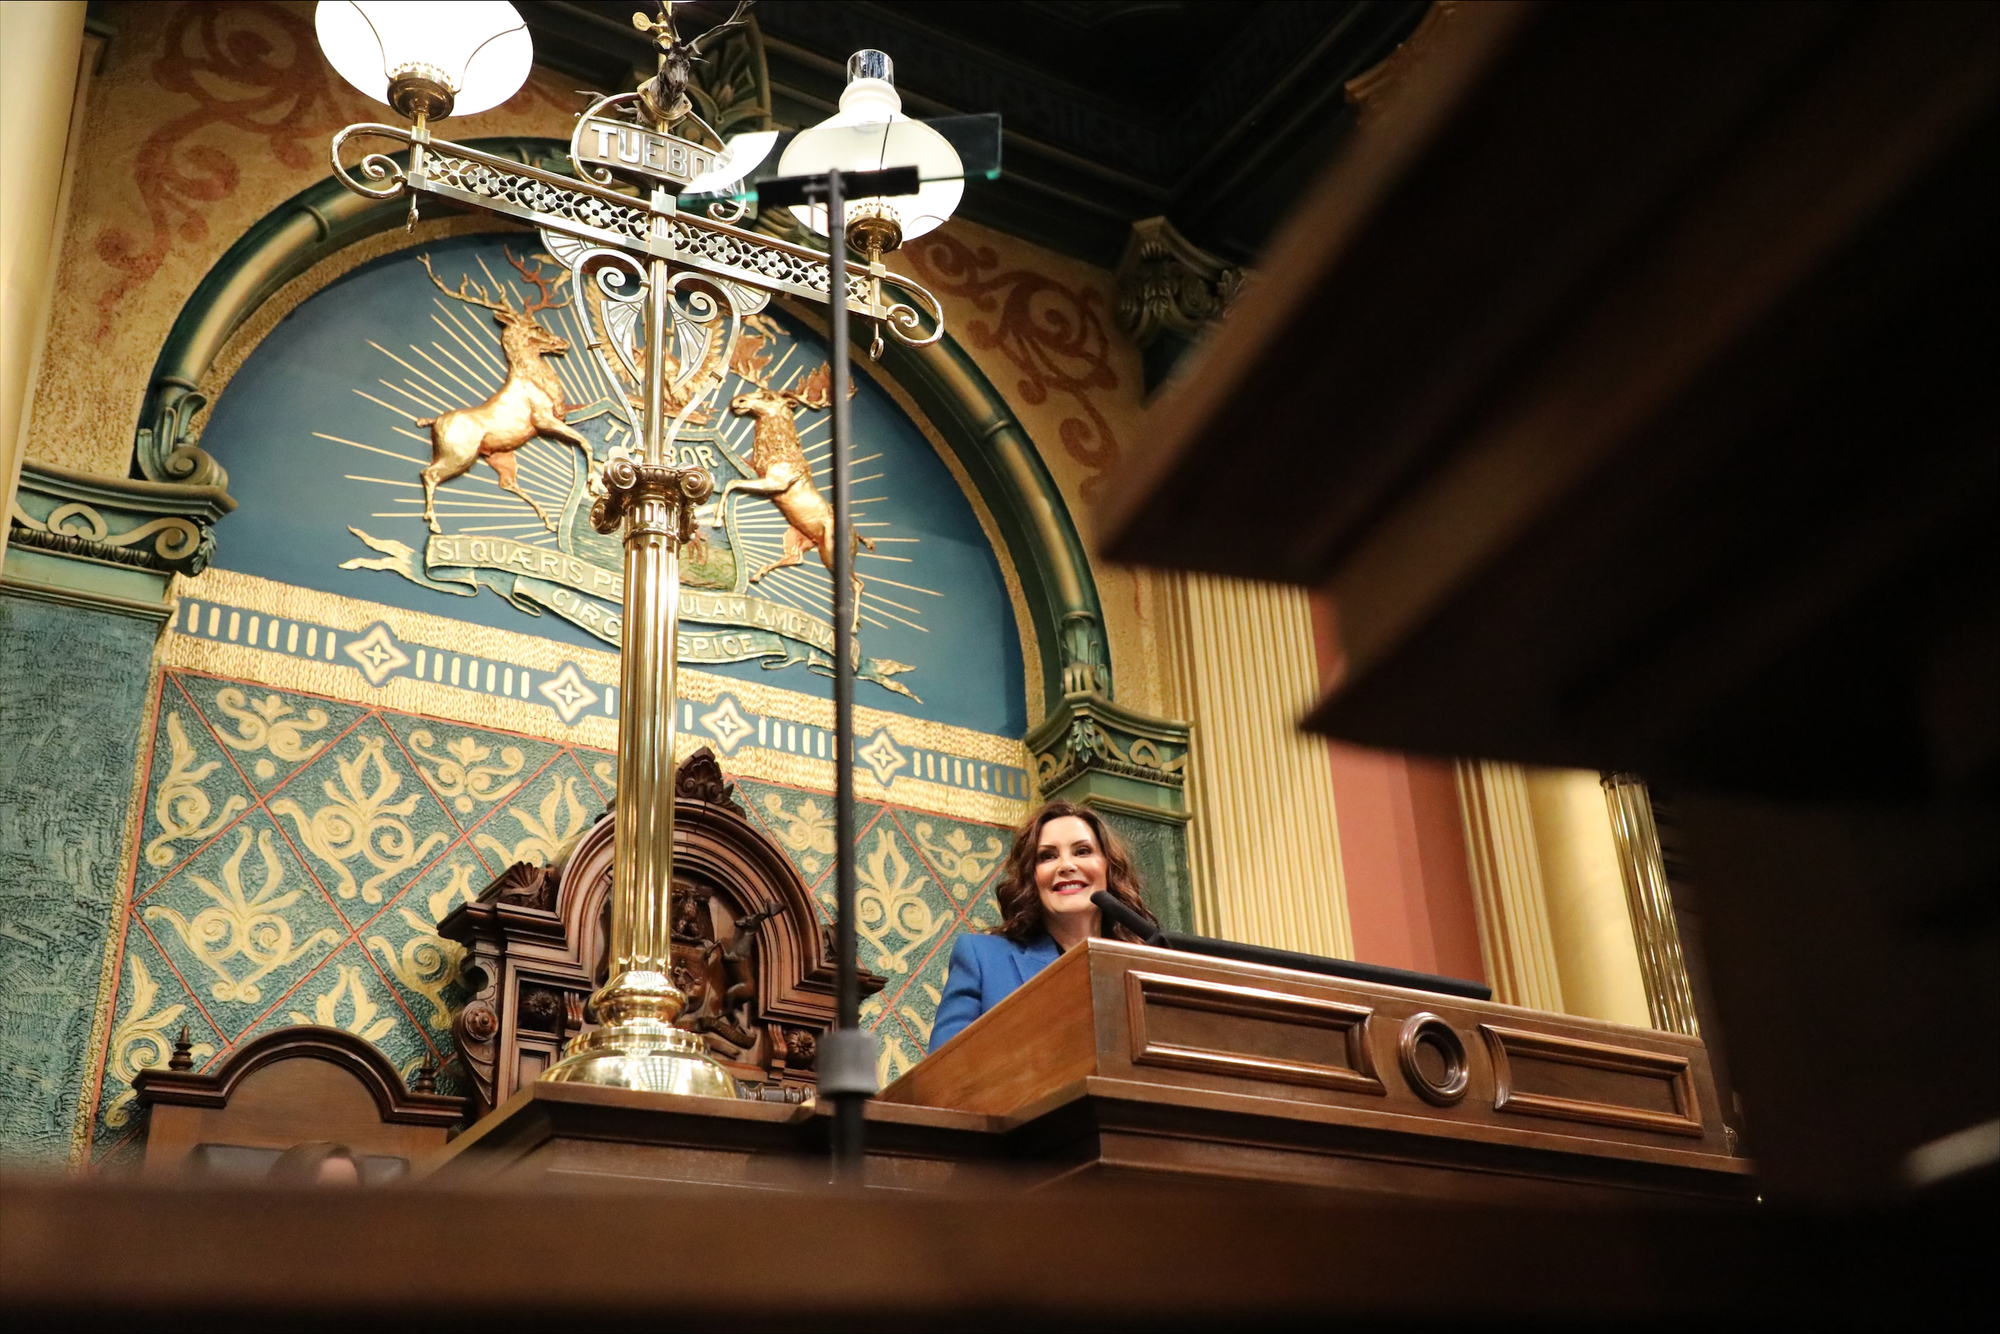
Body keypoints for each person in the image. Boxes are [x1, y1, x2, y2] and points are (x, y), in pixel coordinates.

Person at [927, 799, 1159, 1052]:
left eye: (1082, 851)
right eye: (1047, 856)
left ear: (1109, 867)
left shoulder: (1149, 965)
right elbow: (944, 1068)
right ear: (1031, 877)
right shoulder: (982, 957)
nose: (1067, 866)